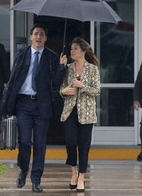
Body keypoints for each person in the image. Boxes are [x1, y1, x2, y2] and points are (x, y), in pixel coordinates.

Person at [2, 23, 67, 193]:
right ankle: (24, 170)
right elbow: (13, 78)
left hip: (41, 105)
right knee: (24, 141)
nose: (38, 37)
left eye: (42, 34)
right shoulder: (21, 54)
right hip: (23, 104)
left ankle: (36, 179)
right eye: (36, 34)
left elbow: (54, 84)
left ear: (45, 38)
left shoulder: (52, 57)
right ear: (31, 37)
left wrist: (61, 68)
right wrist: (7, 104)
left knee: (40, 143)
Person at [60, 37, 100, 192]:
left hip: (87, 113)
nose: (72, 51)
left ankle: (82, 177)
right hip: (70, 110)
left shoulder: (93, 69)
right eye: (71, 48)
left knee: (84, 146)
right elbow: (61, 88)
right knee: (70, 142)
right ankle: (73, 172)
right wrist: (63, 92)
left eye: (75, 48)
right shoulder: (68, 68)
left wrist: (82, 86)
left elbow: (97, 90)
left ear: (83, 51)